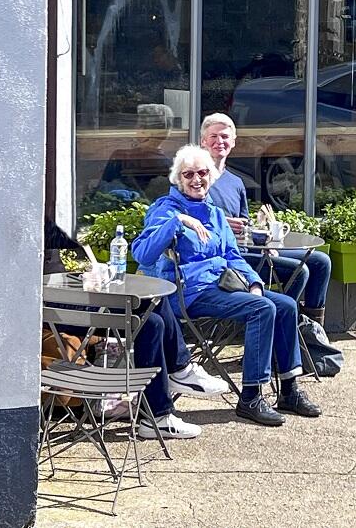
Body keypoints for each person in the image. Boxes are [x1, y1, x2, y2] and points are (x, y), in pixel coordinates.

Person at [132, 144, 321, 426]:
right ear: (178, 179)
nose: (197, 179)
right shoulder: (165, 209)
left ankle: (289, 389)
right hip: (187, 293)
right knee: (262, 309)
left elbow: (233, 256)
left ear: (212, 175)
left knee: (285, 304)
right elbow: (142, 253)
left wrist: (254, 282)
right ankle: (251, 397)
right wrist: (178, 221)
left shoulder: (216, 214)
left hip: (221, 286)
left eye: (203, 172)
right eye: (188, 174)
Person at [41, 216, 225, 440]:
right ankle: (164, 402)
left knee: (154, 316)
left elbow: (62, 236)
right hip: (46, 307)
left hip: (61, 294)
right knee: (150, 316)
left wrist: (85, 253)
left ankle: (169, 392)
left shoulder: (40, 220)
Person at [200, 112, 332, 327]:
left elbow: (244, 230)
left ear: (233, 142)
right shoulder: (195, 177)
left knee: (321, 261)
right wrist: (221, 224)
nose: (219, 142)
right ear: (203, 141)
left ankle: (309, 332)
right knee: (298, 271)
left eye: (225, 137)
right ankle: (281, 330)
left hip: (247, 250)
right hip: (226, 259)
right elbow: (185, 218)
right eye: (213, 136)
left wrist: (264, 240)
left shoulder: (236, 182)